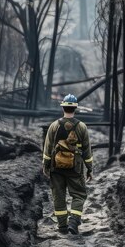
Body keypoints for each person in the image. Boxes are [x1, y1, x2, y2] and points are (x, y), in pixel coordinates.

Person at [42, 94, 93, 234]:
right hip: (75, 167)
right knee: (79, 195)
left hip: (56, 167)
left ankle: (62, 227)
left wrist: (45, 165)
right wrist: (89, 169)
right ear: (75, 109)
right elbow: (87, 150)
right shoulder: (82, 127)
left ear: (63, 107)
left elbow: (47, 148)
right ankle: (74, 221)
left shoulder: (54, 125)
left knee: (58, 195)